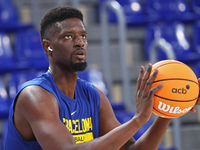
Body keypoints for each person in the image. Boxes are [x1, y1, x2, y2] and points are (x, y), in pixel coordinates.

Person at [4, 6, 198, 150]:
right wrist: (139, 120)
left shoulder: (93, 95)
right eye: (69, 37)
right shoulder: (35, 96)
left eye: (83, 36)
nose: (80, 42)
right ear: (48, 46)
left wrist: (167, 112)